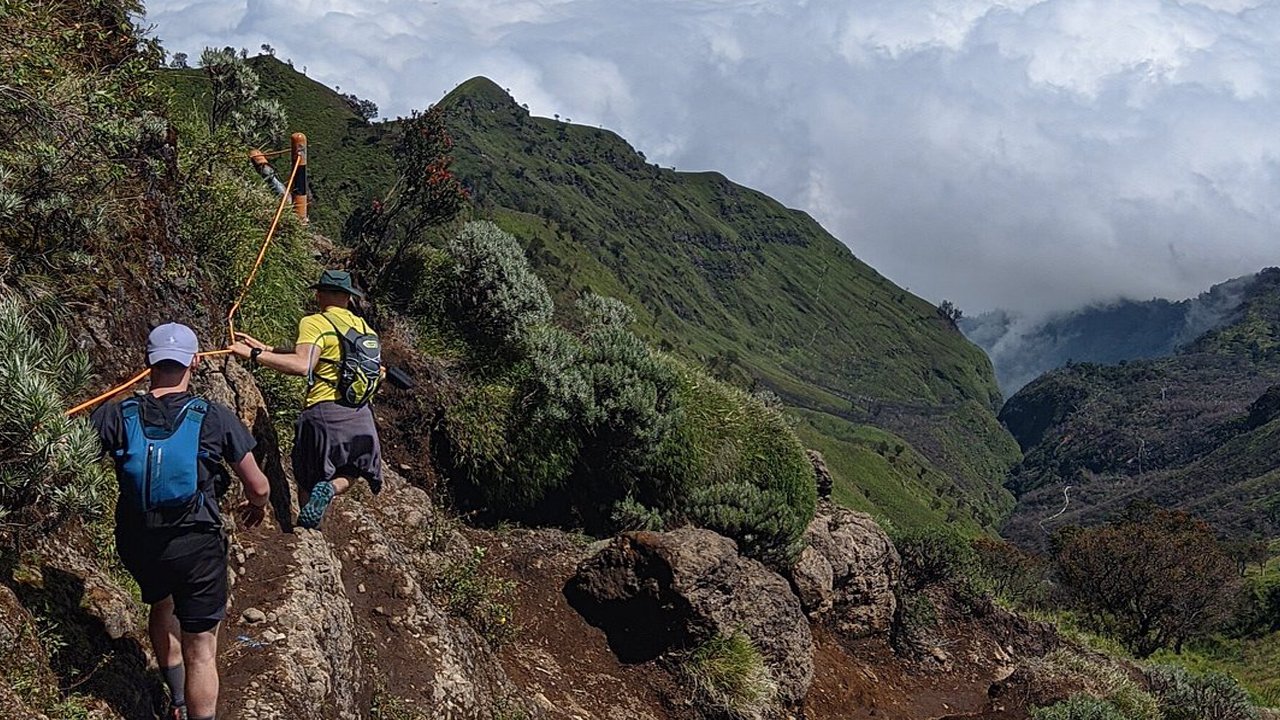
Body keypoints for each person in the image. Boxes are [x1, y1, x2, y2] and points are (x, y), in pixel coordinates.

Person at [92, 323, 271, 720]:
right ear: (193, 361)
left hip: (139, 543)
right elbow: (258, 486)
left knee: (161, 602)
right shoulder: (213, 416)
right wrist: (258, 506)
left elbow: (72, 464)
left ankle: (175, 700)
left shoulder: (115, 413)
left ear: (148, 362)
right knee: (202, 648)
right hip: (196, 546)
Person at [231, 269, 383, 530]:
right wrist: (266, 349)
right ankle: (331, 489)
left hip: (323, 412)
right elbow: (328, 355)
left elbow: (303, 364)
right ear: (348, 297)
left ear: (320, 294)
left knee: (307, 477)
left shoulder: (316, 322)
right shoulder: (365, 329)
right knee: (354, 470)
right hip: (360, 414)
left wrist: (252, 355)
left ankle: (307, 531)